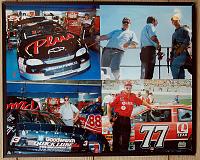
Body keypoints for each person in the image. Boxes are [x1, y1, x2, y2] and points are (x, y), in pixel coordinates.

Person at [107, 81, 156, 152]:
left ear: (131, 88)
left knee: (126, 139)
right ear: (124, 88)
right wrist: (110, 118)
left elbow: (141, 102)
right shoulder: (118, 96)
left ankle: (124, 154)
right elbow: (109, 105)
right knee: (116, 139)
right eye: (127, 87)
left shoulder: (133, 96)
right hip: (118, 119)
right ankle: (115, 154)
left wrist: (150, 106)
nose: (128, 89)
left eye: (129, 87)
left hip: (127, 119)